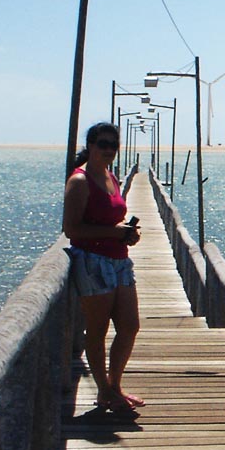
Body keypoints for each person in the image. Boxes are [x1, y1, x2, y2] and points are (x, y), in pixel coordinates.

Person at [63, 122, 144, 413]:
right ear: (91, 146)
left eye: (113, 144)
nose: (109, 149)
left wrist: (126, 234)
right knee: (97, 329)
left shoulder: (110, 176)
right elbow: (72, 229)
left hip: (119, 260)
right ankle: (103, 391)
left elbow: (110, 220)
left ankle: (115, 385)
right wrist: (114, 233)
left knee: (130, 326)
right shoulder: (80, 181)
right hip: (93, 261)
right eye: (103, 144)